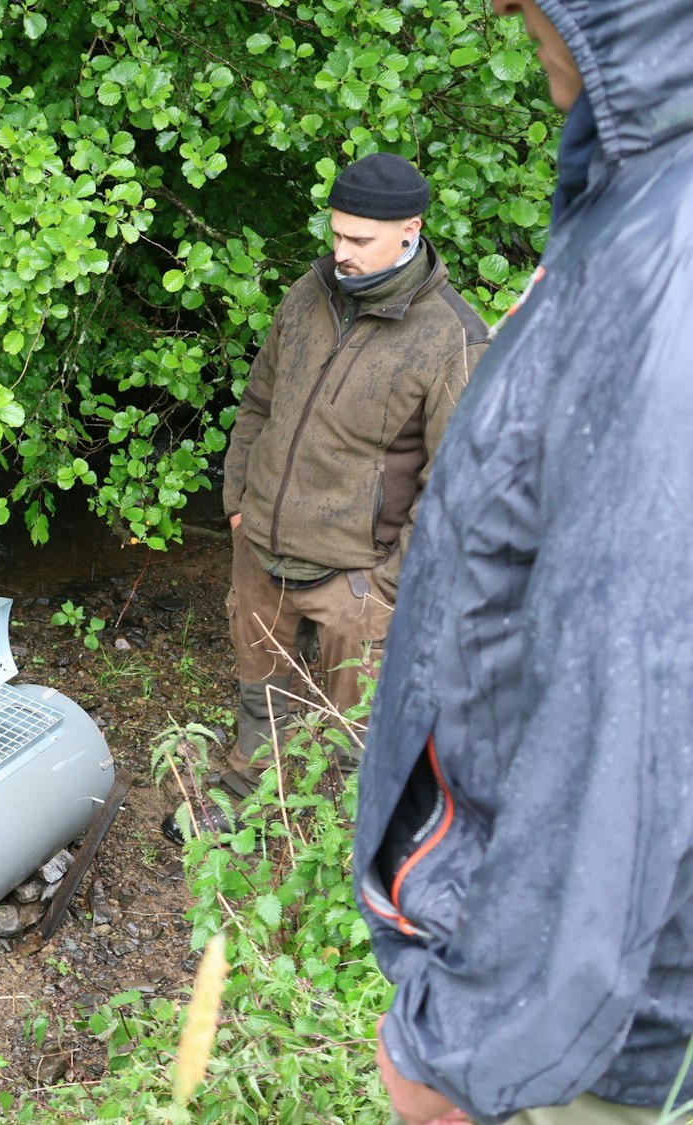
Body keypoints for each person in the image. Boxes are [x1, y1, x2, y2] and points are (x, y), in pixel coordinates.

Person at [356, 2, 693, 1123]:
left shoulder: (672, 250)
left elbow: (639, 695)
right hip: (558, 963)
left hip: (591, 1017)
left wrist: (464, 1041)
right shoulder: (629, 205)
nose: (499, 8)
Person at [210, 152, 487, 805]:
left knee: (349, 732)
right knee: (260, 692)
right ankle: (246, 792)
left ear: (409, 231)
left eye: (359, 240)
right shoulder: (310, 294)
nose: (342, 253)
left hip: (355, 585)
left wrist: (384, 590)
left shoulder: (454, 339)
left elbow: (456, 491)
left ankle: (335, 843)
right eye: (335, 234)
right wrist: (238, 506)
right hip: (263, 552)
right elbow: (257, 405)